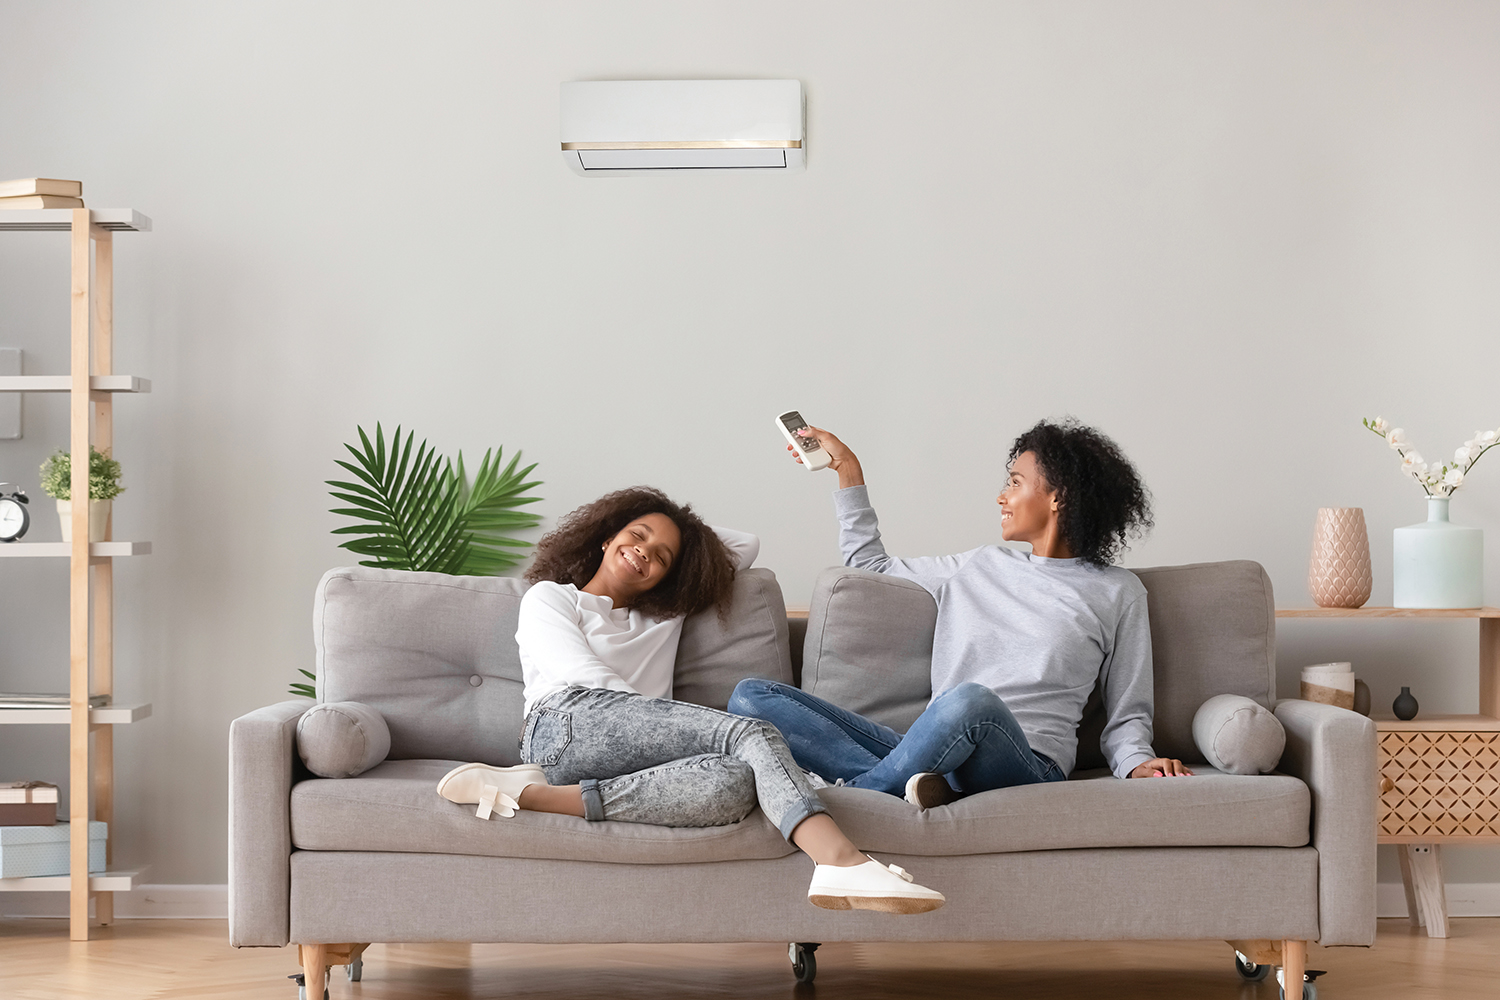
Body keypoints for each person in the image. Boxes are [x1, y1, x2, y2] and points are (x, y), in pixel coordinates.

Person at [435, 486, 944, 914]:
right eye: (637, 535)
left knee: (736, 782)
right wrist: (671, 724)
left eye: (662, 557)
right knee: (748, 733)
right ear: (606, 536)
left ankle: (530, 795)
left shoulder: (663, 616)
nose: (645, 553)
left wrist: (683, 543)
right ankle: (840, 861)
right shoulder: (552, 597)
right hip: (563, 725)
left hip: (633, 757)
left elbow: (744, 545)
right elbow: (583, 678)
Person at [729, 419, 1190, 811]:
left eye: (1015, 482)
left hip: (1027, 764)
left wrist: (1137, 763)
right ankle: (913, 786)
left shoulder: (1117, 591)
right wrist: (848, 470)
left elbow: (1128, 709)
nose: (1001, 497)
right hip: (938, 751)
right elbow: (869, 565)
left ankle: (864, 797)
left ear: (1058, 497)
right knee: (752, 696)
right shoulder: (978, 565)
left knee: (971, 702)